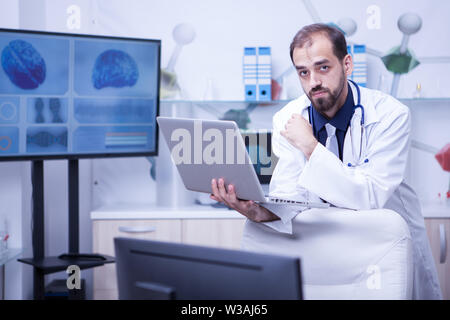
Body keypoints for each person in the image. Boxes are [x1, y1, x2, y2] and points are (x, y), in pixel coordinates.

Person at [210, 23, 442, 300]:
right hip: (326, 246)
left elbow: (370, 197)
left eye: (323, 68)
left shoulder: (391, 115)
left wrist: (310, 145)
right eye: (303, 72)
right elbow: (290, 197)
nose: (313, 82)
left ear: (347, 64)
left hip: (384, 245)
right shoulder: (288, 118)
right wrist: (258, 213)